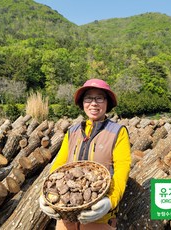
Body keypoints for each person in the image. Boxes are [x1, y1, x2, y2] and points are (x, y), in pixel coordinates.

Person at [39, 78, 131, 230]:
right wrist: (46, 194)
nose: (93, 103)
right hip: (66, 214)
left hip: (100, 216)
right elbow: (59, 165)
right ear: (82, 102)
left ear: (107, 103)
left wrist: (110, 201)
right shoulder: (72, 132)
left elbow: (122, 169)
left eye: (99, 98)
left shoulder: (117, 132)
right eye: (89, 98)